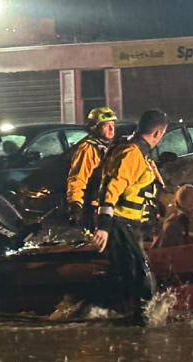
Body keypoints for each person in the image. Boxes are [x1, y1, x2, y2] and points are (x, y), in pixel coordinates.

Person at [91, 109, 168, 323]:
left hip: (130, 225)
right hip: (122, 224)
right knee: (142, 274)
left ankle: (102, 312)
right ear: (158, 133)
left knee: (119, 274)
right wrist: (104, 226)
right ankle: (145, 321)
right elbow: (111, 189)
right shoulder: (131, 154)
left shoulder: (128, 150)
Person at [66, 106, 118, 229]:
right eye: (106, 125)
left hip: (111, 206)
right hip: (95, 209)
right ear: (94, 127)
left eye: (113, 125)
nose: (111, 129)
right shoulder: (88, 149)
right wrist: (75, 204)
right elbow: (77, 178)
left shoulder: (114, 147)